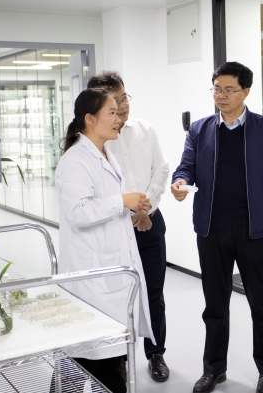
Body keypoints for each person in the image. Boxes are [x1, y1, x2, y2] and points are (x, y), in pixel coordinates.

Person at [171, 61, 263, 393]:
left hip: (255, 232)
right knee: (215, 306)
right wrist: (179, 182)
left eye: (229, 90)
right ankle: (213, 369)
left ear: (246, 91)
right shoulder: (200, 129)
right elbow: (186, 167)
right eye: (216, 89)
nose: (221, 95)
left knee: (261, 305)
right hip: (212, 230)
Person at [54, 88, 155, 393]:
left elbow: (106, 202)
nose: (118, 118)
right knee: (92, 359)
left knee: (97, 358)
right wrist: (121, 201)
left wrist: (132, 204)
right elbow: (78, 212)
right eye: (111, 112)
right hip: (92, 274)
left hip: (110, 271)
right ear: (90, 119)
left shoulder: (105, 154)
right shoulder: (75, 160)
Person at [87, 72, 171, 382]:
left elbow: (161, 169)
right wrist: (132, 209)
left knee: (153, 292)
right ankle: (118, 357)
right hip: (116, 227)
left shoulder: (145, 130)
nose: (122, 106)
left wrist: (146, 206)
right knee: (116, 295)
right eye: (115, 100)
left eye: (124, 97)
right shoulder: (94, 142)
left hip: (150, 224)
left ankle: (156, 352)